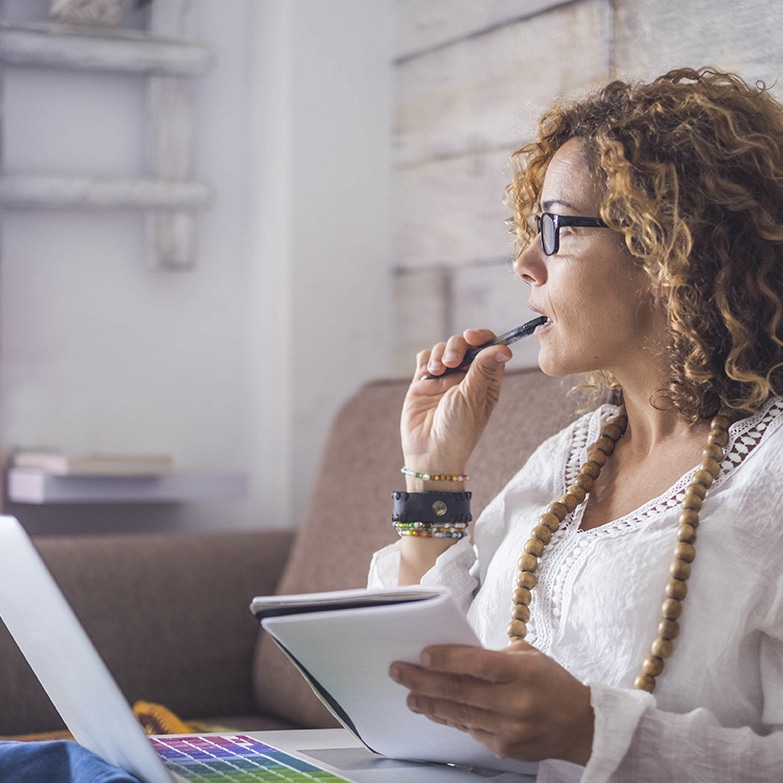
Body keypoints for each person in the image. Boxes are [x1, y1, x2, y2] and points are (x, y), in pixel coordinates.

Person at [368, 67, 783, 782]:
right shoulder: (570, 457)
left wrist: (594, 731)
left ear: (666, 248)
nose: (525, 263)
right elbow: (424, 678)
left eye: (555, 229)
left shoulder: (767, 475)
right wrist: (432, 471)